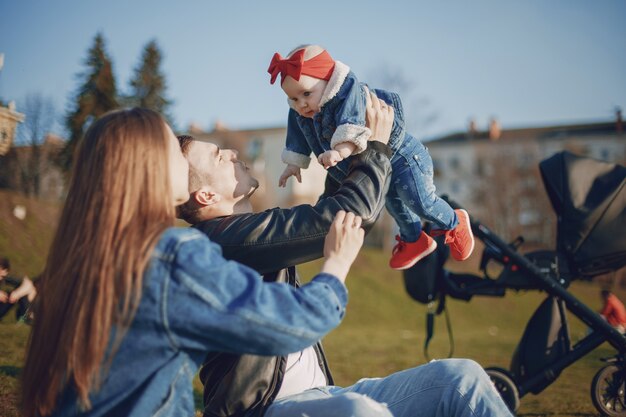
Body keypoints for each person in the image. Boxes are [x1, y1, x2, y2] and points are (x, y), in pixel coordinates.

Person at [177, 96, 513, 417]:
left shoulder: (245, 232)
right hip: (264, 410)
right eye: (220, 156)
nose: (233, 152)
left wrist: (345, 141)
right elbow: (351, 212)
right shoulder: (224, 241)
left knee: (461, 379)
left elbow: (330, 207)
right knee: (358, 412)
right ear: (206, 194)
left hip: (325, 396)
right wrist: (377, 147)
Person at [20, 108, 366, 417]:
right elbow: (291, 324)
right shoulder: (169, 257)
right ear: (149, 169)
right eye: (172, 149)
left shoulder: (86, 263)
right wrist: (336, 265)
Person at [268, 44, 475, 271]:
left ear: (328, 81)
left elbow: (352, 123)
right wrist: (294, 162)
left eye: (306, 93)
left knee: (420, 201)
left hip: (403, 157)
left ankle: (455, 222)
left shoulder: (348, 93)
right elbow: (297, 135)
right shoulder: (302, 111)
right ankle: (414, 240)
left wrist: (340, 151)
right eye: (293, 99)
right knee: (395, 205)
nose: (301, 104)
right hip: (377, 161)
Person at [0, 257, 36, 322]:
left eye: (2, 276)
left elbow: (28, 283)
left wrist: (17, 293)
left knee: (23, 289)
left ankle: (26, 317)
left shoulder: (4, 278)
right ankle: (27, 318)